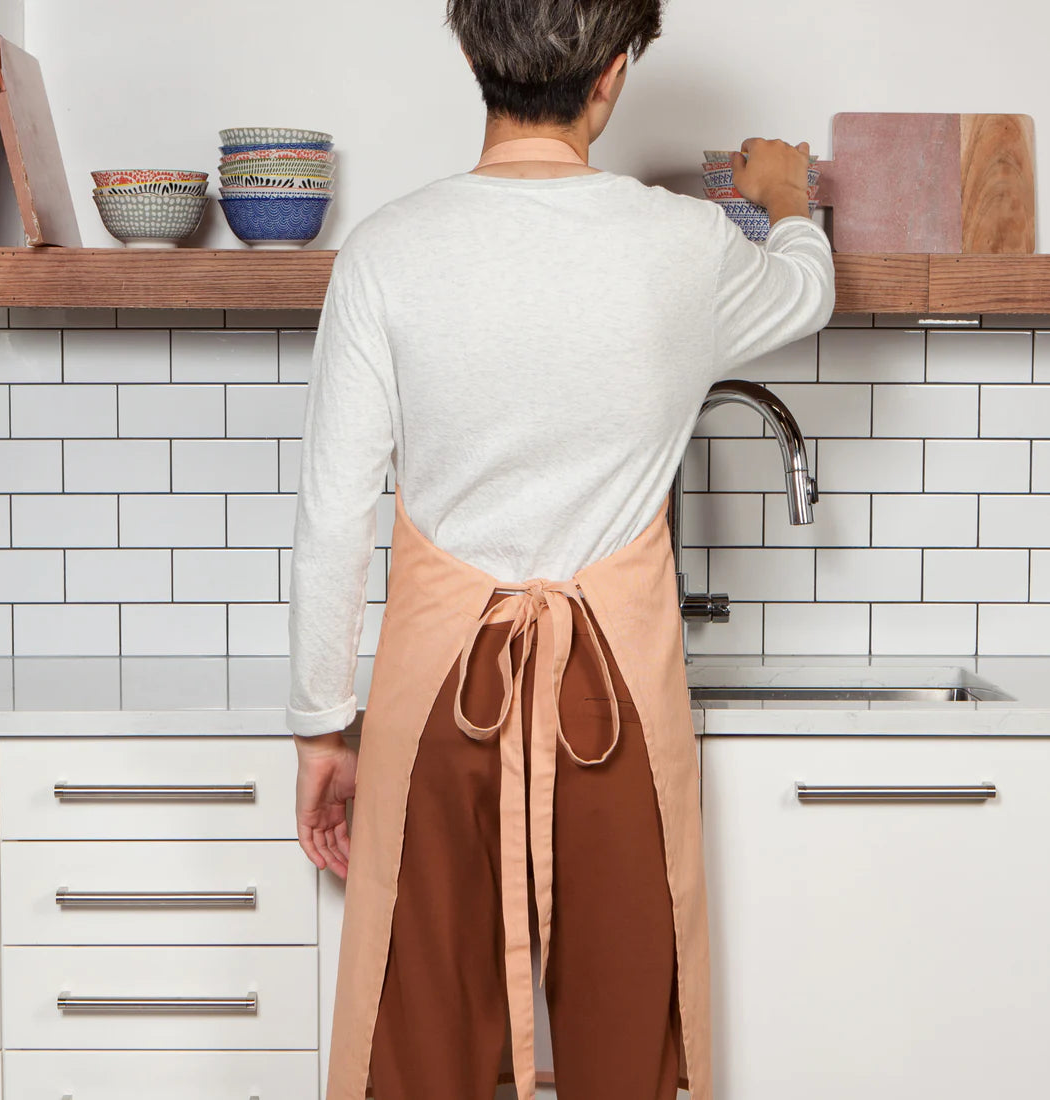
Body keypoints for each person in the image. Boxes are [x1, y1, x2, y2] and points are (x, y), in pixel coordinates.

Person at [285, 2, 835, 1098]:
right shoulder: (684, 247)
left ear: (467, 53)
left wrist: (318, 727)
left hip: (433, 701)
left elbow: (333, 514)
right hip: (616, 702)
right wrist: (790, 202)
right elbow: (806, 292)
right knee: (627, 1046)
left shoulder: (387, 250)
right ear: (614, 77)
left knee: (418, 1048)